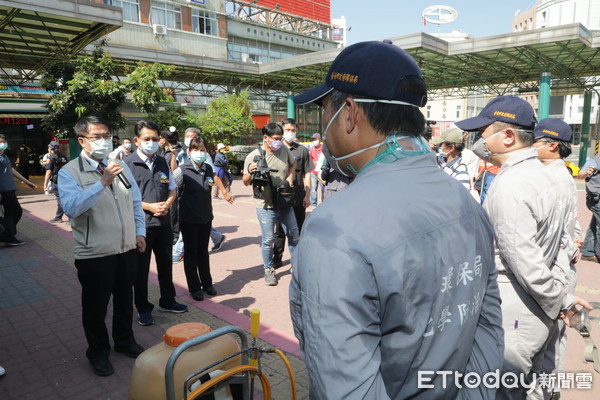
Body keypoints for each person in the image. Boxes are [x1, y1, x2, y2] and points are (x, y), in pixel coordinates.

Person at [290, 40, 504, 399]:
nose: (322, 123)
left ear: (349, 114)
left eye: (324, 109)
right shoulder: (467, 203)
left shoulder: (334, 229)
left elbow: (346, 386)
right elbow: (488, 328)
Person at [455, 96, 591, 399]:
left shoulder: (512, 184)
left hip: (515, 304)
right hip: (536, 306)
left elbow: (523, 259)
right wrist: (559, 295)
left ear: (507, 136)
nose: (480, 141)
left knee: (503, 389)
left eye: (484, 132)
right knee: (529, 389)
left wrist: (561, 299)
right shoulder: (543, 176)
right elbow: (558, 247)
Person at [58, 116, 146, 377]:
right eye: (97, 136)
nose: (104, 140)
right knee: (95, 308)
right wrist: (102, 182)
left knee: (124, 300)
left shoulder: (119, 165)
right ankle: (97, 352)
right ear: (82, 141)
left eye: (107, 135)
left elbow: (135, 202)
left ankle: (124, 341)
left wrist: (139, 232)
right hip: (94, 253)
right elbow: (72, 208)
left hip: (126, 248)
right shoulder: (69, 172)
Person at [531, 118, 581, 397]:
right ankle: (550, 388)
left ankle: (546, 390)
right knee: (555, 337)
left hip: (556, 267)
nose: (531, 146)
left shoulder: (550, 177)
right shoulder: (560, 174)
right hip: (564, 263)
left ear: (552, 146)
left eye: (535, 141)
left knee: (549, 338)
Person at [124, 120, 188, 327]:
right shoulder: (127, 164)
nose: (151, 143)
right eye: (146, 139)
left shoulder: (162, 161)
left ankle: (167, 300)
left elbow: (172, 188)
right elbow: (124, 198)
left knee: (165, 266)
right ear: (136, 140)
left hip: (163, 223)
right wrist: (149, 207)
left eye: (154, 139)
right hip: (141, 227)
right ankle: (143, 308)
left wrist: (168, 204)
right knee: (141, 271)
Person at [173, 136, 233, 301]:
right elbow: (172, 192)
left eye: (202, 150)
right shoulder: (182, 170)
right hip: (188, 219)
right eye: (196, 150)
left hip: (205, 218)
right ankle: (194, 288)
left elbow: (215, 178)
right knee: (191, 254)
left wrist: (225, 193)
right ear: (189, 152)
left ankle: (207, 284)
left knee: (203, 253)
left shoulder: (207, 168)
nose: (199, 153)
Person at [243, 122, 299, 286]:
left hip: (284, 201)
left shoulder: (284, 150)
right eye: (275, 139)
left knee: (294, 234)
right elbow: (246, 181)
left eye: (280, 138)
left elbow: (292, 164)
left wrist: (289, 179)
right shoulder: (254, 155)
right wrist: (252, 171)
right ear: (265, 138)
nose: (279, 142)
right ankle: (269, 270)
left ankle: (296, 267)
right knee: (268, 240)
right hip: (265, 204)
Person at [172, 128, 228, 262]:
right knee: (190, 243)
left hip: (203, 206)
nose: (189, 138)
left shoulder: (206, 160)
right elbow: (175, 174)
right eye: (187, 136)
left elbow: (213, 175)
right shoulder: (182, 154)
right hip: (187, 208)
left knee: (202, 252)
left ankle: (182, 251)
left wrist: (225, 192)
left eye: (192, 136)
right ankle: (181, 251)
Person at [272, 118, 313, 268]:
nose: (290, 133)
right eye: (288, 130)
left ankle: (298, 259)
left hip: (297, 195)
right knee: (280, 230)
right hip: (280, 196)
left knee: (298, 229)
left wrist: (307, 195)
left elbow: (307, 174)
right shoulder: (276, 149)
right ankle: (277, 258)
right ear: (282, 130)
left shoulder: (302, 150)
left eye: (293, 130)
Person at [0, 134, 37, 246]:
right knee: (16, 212)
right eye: (0, 142)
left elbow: (12, 171)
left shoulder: (4, 156)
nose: (3, 144)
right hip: (3, 190)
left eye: (3, 141)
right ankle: (8, 235)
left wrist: (28, 182)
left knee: (11, 214)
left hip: (9, 189)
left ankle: (9, 236)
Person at [48, 143, 68, 223]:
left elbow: (49, 171)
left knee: (60, 200)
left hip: (56, 181)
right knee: (64, 199)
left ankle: (66, 217)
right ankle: (58, 217)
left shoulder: (52, 157)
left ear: (51, 148)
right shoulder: (64, 157)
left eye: (49, 147)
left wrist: (45, 184)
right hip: (65, 180)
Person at [308, 133, 322, 207]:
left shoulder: (323, 149)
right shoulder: (311, 149)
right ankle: (314, 205)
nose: (313, 141)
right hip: (313, 172)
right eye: (312, 139)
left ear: (319, 139)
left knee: (323, 189)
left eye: (315, 139)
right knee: (313, 189)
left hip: (321, 172)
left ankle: (324, 204)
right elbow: (308, 160)